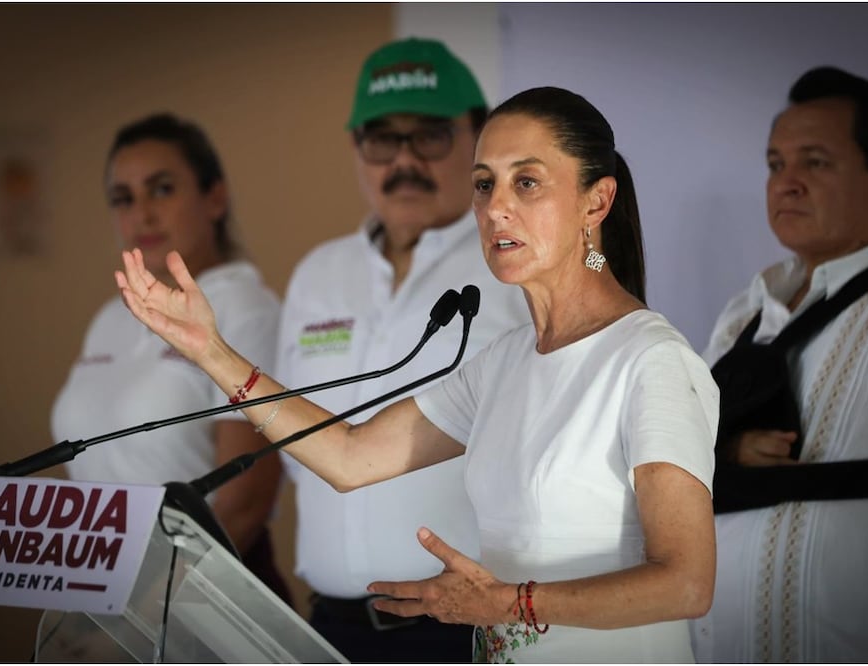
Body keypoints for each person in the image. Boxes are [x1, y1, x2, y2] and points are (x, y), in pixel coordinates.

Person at [114, 85, 720, 663]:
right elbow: (350, 458)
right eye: (484, 184)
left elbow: (686, 584)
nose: (496, 208)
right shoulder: (503, 362)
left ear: (596, 202)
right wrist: (212, 352)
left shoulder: (650, 360)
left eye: (527, 182)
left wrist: (505, 604)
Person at [691, 67, 868, 663]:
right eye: (776, 165)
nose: (786, 184)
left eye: (815, 163)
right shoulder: (745, 313)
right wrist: (726, 454)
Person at [272, 38, 531, 662]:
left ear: (478, 139)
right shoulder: (317, 273)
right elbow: (293, 450)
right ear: (356, 147)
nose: (405, 161)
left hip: (466, 629)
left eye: (431, 136)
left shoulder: (516, 260)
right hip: (330, 627)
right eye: (383, 140)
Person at [51, 113, 293, 606]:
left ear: (215, 198)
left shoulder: (246, 309)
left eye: (162, 189)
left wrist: (143, 610)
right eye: (123, 198)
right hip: (102, 592)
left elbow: (245, 501)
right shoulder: (109, 318)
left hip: (204, 601)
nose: (143, 214)